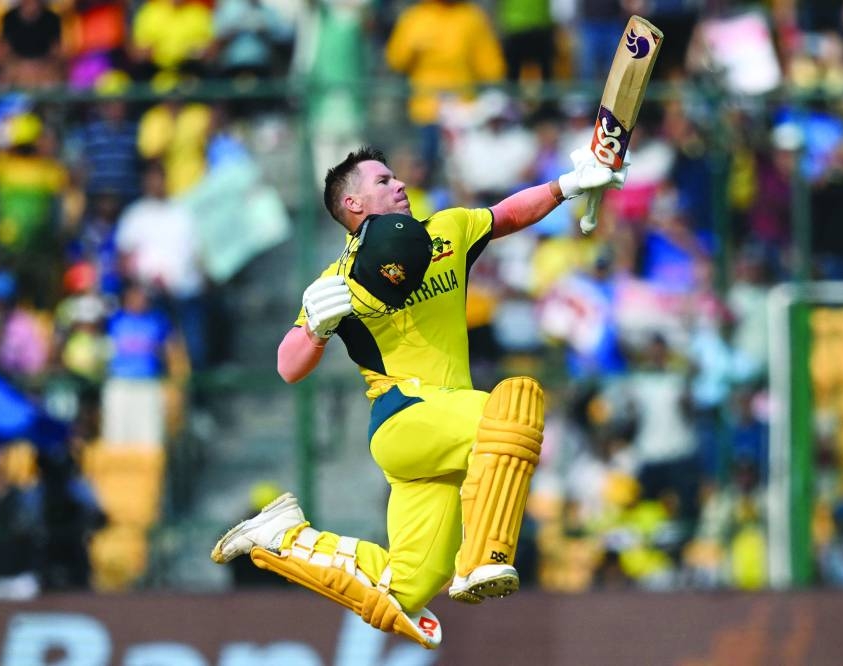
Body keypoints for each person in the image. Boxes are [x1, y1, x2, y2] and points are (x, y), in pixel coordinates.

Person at [209, 145, 625, 648]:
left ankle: (280, 538)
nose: (399, 184)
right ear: (354, 206)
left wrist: (567, 186)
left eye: (396, 177)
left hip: (445, 435)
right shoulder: (336, 280)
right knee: (513, 404)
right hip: (403, 418)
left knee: (406, 588)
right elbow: (287, 366)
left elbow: (506, 215)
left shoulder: (445, 231)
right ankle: (482, 558)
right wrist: (316, 329)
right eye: (383, 181)